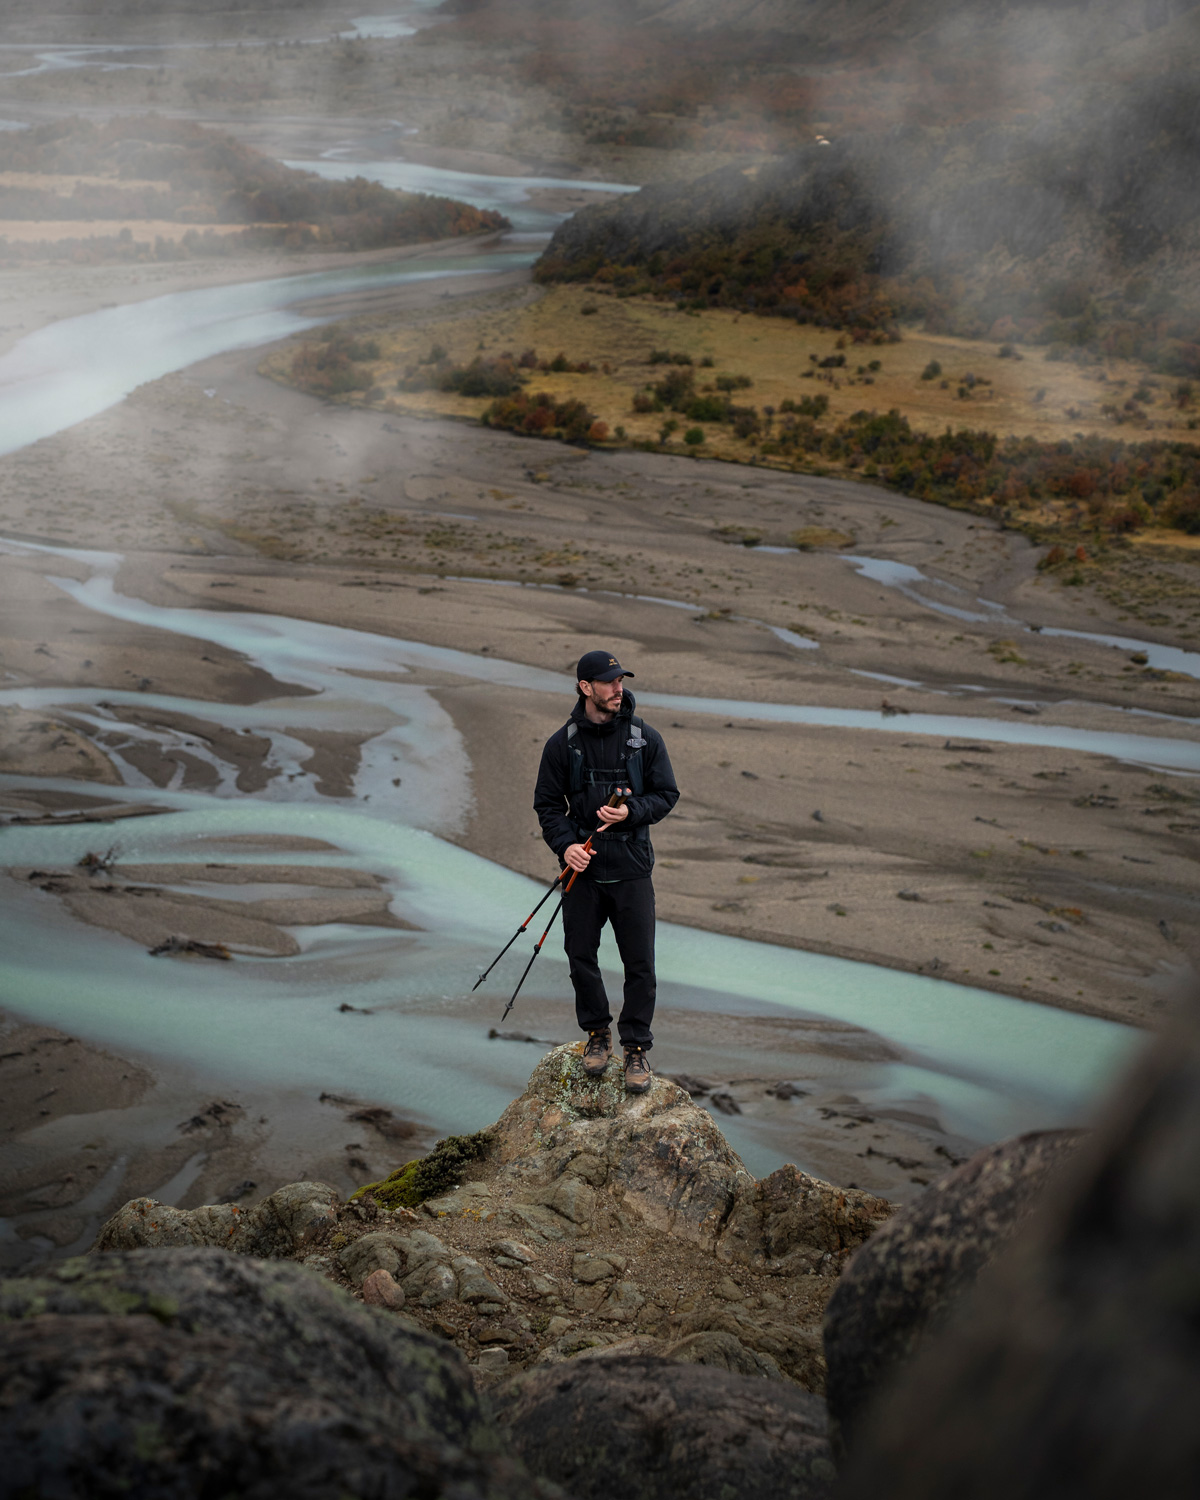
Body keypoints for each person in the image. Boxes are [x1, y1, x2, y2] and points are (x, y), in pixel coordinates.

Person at [533, 649, 679, 1092]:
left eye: (621, 681)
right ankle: (597, 1034)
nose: (619, 689)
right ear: (585, 687)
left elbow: (666, 795)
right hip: (584, 872)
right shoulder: (561, 744)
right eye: (609, 682)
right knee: (580, 956)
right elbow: (547, 807)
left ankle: (636, 1049)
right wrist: (567, 847)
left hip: (632, 869)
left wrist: (631, 812)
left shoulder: (645, 739)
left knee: (641, 964)